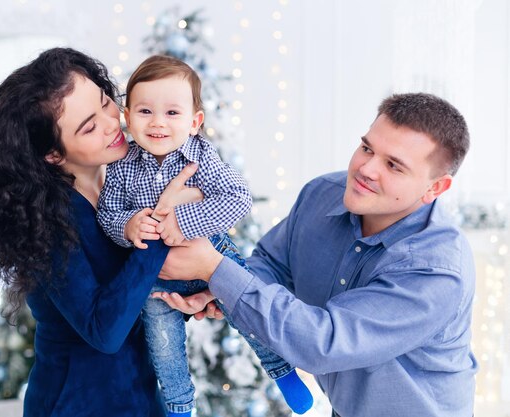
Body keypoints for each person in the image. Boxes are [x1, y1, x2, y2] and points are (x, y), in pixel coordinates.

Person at [155, 92, 477, 417]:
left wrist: (216, 269)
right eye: (367, 148)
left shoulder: (436, 269)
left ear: (435, 188)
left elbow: (325, 343)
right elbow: (271, 264)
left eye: (393, 165)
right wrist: (218, 288)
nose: (366, 169)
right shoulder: (322, 194)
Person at [0, 47, 201, 417]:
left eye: (106, 103)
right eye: (89, 126)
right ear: (53, 154)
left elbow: (134, 293)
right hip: (77, 405)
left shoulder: (119, 185)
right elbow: (104, 331)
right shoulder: (47, 221)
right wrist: (163, 221)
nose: (111, 123)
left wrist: (194, 298)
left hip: (140, 397)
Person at [97, 54, 312, 416]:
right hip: (156, 277)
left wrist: (182, 220)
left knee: (248, 313)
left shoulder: (201, 156)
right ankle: (180, 407)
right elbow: (108, 214)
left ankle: (283, 370)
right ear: (128, 117)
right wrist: (128, 225)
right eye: (145, 111)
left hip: (212, 257)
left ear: (195, 121)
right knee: (164, 348)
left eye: (172, 113)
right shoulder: (120, 165)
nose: (158, 123)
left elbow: (238, 198)